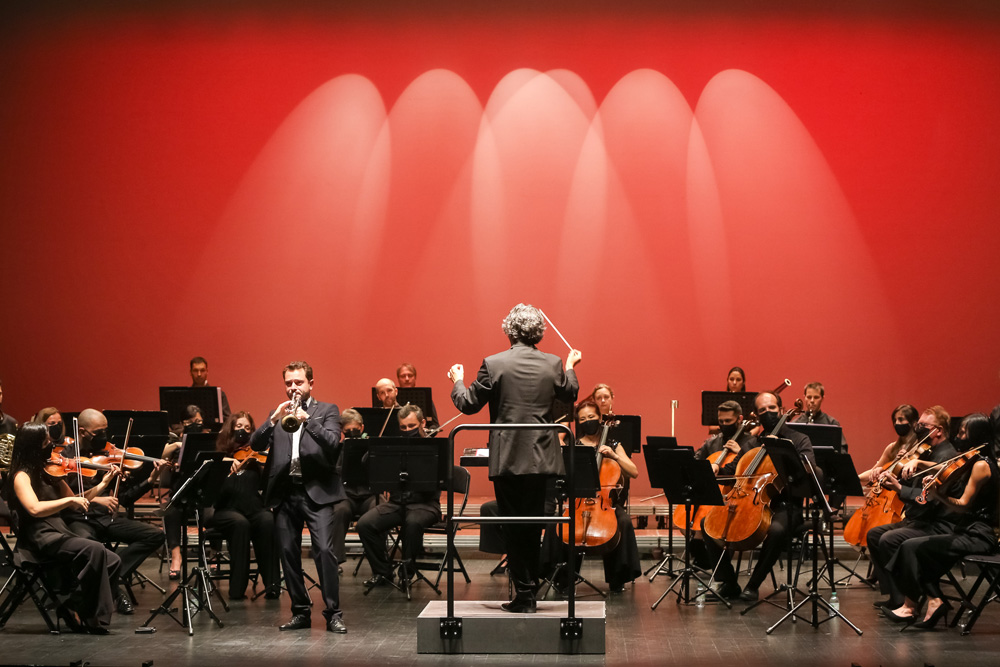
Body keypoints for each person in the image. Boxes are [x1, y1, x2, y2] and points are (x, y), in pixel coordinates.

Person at [449, 303, 582, 613]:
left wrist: (457, 379)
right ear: (538, 332)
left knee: (512, 524)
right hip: (542, 456)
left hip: (508, 456)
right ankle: (528, 592)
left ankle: (524, 594)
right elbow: (570, 393)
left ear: (509, 331)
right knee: (532, 525)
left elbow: (467, 404)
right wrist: (571, 366)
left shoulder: (494, 363)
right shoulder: (553, 363)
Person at [249, 360, 347, 633]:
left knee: (324, 551)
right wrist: (272, 420)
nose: (293, 387)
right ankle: (301, 612)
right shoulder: (278, 414)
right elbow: (255, 444)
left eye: (299, 382)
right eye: (289, 383)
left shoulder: (327, 410)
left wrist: (308, 420)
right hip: (285, 492)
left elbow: (333, 443)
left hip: (316, 492)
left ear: (310, 383)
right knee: (287, 553)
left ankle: (333, 613)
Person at [880, 413, 998, 628]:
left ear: (977, 435)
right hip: (965, 530)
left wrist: (937, 494)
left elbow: (962, 505)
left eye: (963, 432)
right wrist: (919, 462)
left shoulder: (981, 465)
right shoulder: (972, 458)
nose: (958, 436)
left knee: (912, 547)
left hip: (977, 534)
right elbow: (945, 467)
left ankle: (919, 605)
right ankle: (928, 603)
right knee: (912, 547)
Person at [1, 423, 121, 634]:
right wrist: (68, 502)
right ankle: (92, 617)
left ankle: (73, 605)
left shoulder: (49, 471)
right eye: (46, 442)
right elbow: (34, 509)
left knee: (113, 560)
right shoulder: (21, 476)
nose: (52, 445)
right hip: (39, 537)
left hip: (59, 531)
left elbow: (77, 501)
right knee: (95, 549)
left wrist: (104, 483)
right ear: (33, 446)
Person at [704, 391, 819, 601]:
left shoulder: (798, 439)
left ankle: (753, 585)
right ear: (756, 415)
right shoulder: (752, 444)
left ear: (781, 410)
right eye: (762, 410)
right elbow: (733, 470)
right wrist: (716, 469)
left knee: (776, 530)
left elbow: (808, 469)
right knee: (708, 524)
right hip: (748, 501)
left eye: (772, 408)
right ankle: (728, 583)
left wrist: (780, 450)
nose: (768, 413)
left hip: (786, 505)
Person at [64, 408, 165, 615]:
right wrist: (97, 498)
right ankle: (113, 591)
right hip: (78, 519)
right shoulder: (66, 458)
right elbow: (65, 498)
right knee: (88, 545)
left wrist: (150, 480)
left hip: (105, 519)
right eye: (98, 432)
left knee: (154, 535)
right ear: (82, 432)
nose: (104, 436)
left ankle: (113, 578)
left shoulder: (109, 455)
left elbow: (125, 499)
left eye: (105, 431)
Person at [541, 400, 640, 593]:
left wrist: (614, 456)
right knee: (556, 524)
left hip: (606, 503)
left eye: (592, 417)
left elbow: (634, 472)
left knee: (624, 522)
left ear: (600, 418)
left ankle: (617, 578)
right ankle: (563, 578)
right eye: (583, 419)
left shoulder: (613, 444)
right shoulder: (574, 445)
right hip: (578, 502)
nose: (588, 421)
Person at [866, 405, 958, 611]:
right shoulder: (925, 451)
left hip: (933, 523)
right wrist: (891, 476)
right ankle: (896, 596)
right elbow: (913, 485)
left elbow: (929, 499)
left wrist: (899, 488)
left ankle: (910, 597)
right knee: (874, 535)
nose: (918, 428)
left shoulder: (945, 458)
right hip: (917, 520)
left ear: (938, 430)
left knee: (889, 539)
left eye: (924, 425)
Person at [356, 405, 441, 589]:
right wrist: (376, 451)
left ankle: (406, 574)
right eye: (403, 427)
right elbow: (367, 463)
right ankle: (383, 572)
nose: (407, 430)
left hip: (425, 504)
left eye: (412, 426)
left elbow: (440, 482)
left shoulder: (434, 447)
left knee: (413, 523)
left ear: (422, 423)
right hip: (397, 503)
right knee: (364, 524)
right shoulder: (395, 446)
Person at [210, 411, 279, 600]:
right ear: (230, 428)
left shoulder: (254, 455)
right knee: (240, 524)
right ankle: (237, 589)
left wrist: (265, 467)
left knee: (267, 521)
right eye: (239, 426)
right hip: (226, 510)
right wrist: (225, 461)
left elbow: (266, 484)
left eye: (248, 428)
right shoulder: (219, 454)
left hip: (254, 508)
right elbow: (207, 467)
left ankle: (272, 586)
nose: (243, 431)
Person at [330, 409, 376, 565]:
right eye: (347, 430)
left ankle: (379, 562)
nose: (352, 433)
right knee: (339, 511)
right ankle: (335, 561)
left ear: (362, 428)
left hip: (369, 495)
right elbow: (333, 473)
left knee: (379, 509)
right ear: (342, 430)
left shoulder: (371, 446)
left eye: (355, 430)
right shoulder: (338, 448)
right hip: (346, 495)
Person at [857, 404, 918, 484]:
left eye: (901, 419)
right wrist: (856, 478)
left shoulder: (919, 447)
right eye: (895, 420)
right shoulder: (892, 447)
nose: (896, 423)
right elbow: (874, 471)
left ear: (914, 423)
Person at [791, 381, 848, 450]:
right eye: (809, 397)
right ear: (804, 398)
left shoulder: (832, 423)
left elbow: (842, 449)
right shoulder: (795, 423)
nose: (812, 401)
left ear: (822, 398)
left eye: (816, 397)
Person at [396, 363, 440, 431]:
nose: (407, 379)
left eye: (410, 375)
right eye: (403, 376)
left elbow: (435, 425)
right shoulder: (393, 398)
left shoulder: (425, 397)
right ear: (398, 379)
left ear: (415, 378)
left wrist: (426, 431)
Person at [189, 356, 231, 422]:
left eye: (202, 370)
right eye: (195, 371)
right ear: (190, 372)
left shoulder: (219, 395)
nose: (199, 374)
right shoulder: (185, 395)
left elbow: (228, 420)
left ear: (207, 371)